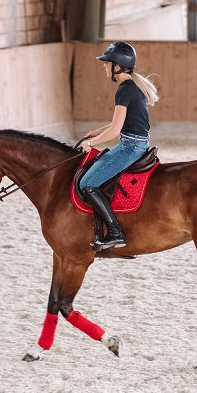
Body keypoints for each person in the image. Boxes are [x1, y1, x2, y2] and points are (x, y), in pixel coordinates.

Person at [79, 41, 159, 249]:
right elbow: (120, 123)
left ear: (117, 66)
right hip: (136, 142)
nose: (104, 67)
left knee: (87, 184)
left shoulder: (124, 90)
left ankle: (115, 232)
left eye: (107, 64)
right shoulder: (132, 86)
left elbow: (115, 131)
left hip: (130, 147)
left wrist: (91, 143)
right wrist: (97, 132)